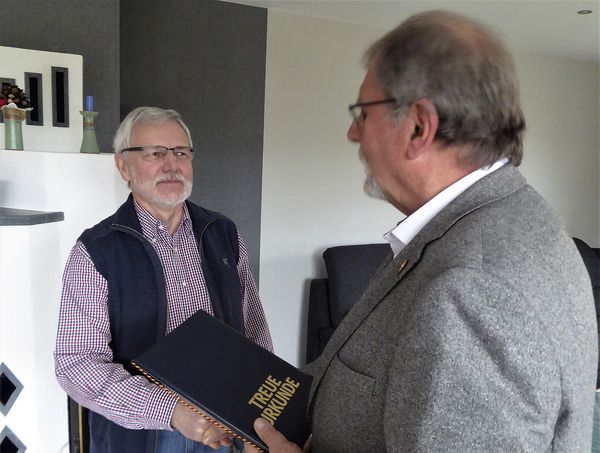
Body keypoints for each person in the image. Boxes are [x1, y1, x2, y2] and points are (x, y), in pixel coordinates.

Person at [247, 10, 597, 453]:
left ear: (418, 126)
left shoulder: (474, 287)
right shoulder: (479, 225)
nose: (354, 133)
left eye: (362, 113)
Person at [54, 106, 273, 453]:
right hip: (146, 434)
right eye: (154, 153)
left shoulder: (224, 233)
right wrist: (172, 411)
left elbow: (254, 330)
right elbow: (76, 362)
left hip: (226, 425)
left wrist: (258, 413)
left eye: (181, 153)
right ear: (123, 166)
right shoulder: (96, 252)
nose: (171, 165)